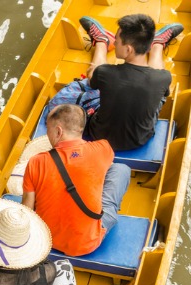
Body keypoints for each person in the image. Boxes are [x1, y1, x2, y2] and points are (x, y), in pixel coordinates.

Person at [22, 103, 131, 256]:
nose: (47, 134)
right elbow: (105, 168)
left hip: (45, 238)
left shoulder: (35, 162)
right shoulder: (103, 148)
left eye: (48, 129)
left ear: (58, 131)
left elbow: (27, 209)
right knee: (121, 169)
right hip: (86, 244)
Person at [80, 14, 182, 150]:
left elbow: (92, 81)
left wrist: (96, 71)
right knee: (158, 90)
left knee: (94, 74)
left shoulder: (104, 72)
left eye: (116, 40)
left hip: (99, 135)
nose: (115, 43)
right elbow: (162, 94)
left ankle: (101, 42)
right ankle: (157, 44)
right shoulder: (164, 77)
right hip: (139, 139)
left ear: (128, 49)